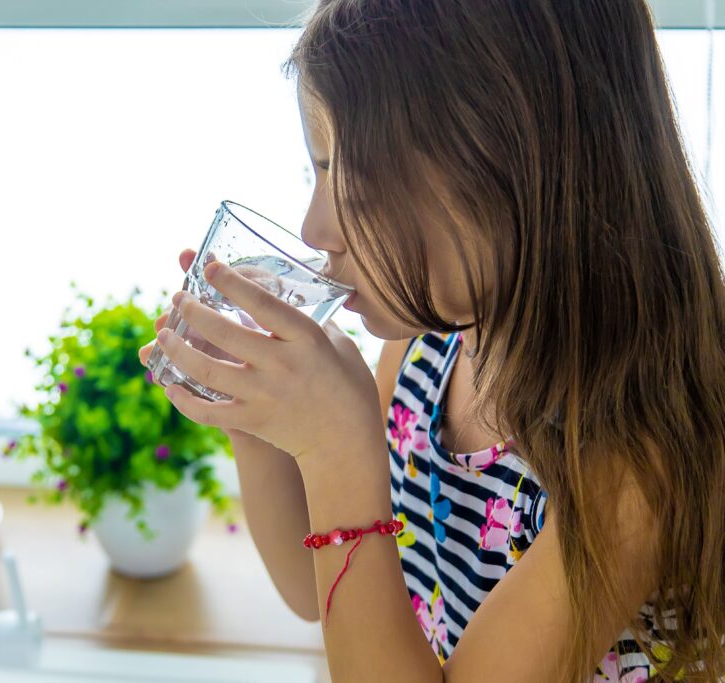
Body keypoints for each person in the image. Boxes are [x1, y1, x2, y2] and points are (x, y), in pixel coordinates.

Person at [138, 1, 725, 680]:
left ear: (510, 168)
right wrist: (256, 412)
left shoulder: (630, 465)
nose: (313, 227)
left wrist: (338, 450)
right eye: (317, 172)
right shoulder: (425, 354)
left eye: (352, 180)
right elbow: (315, 587)